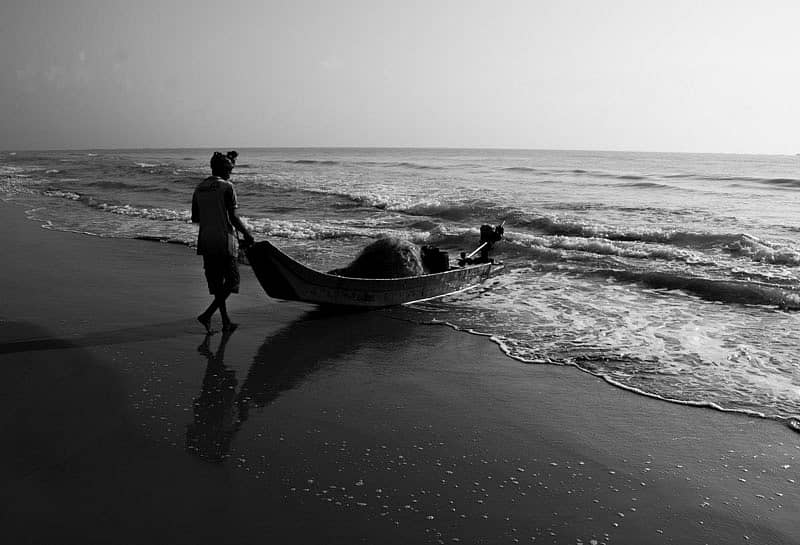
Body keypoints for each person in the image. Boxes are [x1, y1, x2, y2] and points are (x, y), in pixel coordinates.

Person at [192, 150, 254, 333]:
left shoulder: (199, 188)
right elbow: (233, 218)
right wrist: (248, 234)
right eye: (230, 169)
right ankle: (207, 315)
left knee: (217, 284)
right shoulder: (227, 187)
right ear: (223, 169)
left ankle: (226, 322)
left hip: (205, 240)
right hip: (225, 240)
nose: (231, 172)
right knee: (233, 281)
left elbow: (196, 217)